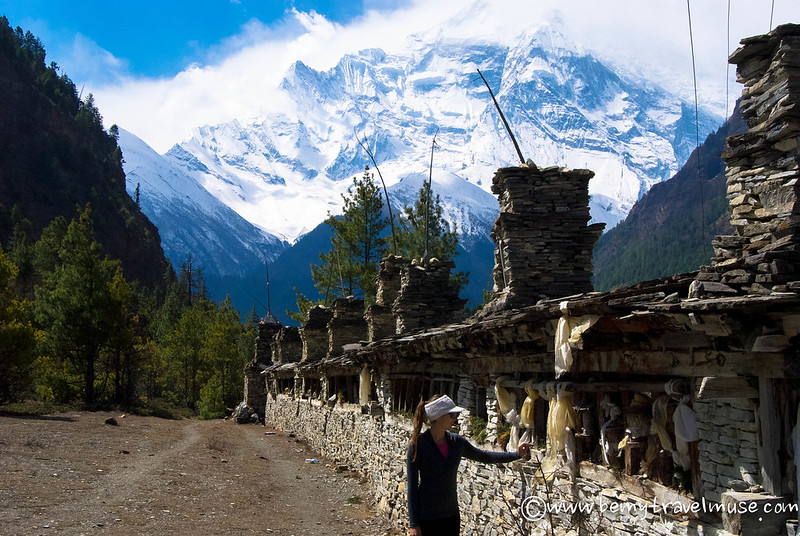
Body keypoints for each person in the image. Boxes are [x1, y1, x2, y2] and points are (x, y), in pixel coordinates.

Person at [406, 394, 530, 535]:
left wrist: (516, 454)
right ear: (439, 417)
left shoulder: (456, 443)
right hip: (426, 517)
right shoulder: (418, 446)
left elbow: (484, 456)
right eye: (452, 415)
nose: (455, 418)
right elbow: (412, 487)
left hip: (451, 515)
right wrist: (414, 524)